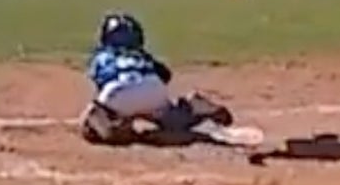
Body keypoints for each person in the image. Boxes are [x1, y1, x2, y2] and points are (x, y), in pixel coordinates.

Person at [79, 12, 233, 145]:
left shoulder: (102, 56)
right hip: (153, 89)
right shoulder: (142, 56)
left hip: (117, 93)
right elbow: (165, 75)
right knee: (174, 120)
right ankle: (193, 106)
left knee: (95, 124)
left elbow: (100, 81)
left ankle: (108, 123)